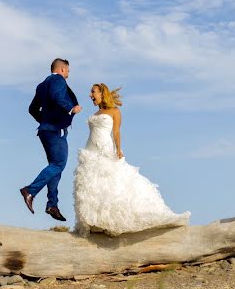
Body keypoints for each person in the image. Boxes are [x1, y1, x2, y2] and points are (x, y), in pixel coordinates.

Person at [73, 83, 189, 236]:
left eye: (93, 92)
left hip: (105, 150)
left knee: (110, 184)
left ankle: (109, 220)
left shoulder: (114, 111)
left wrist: (119, 149)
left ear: (102, 93)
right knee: (91, 185)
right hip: (90, 152)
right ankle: (94, 222)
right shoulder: (96, 112)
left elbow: (116, 132)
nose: (90, 95)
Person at [20, 58, 82, 221]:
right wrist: (71, 108)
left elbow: (32, 109)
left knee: (54, 167)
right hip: (56, 130)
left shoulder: (42, 85)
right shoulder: (57, 80)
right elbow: (57, 96)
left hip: (46, 130)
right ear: (62, 69)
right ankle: (30, 190)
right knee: (58, 164)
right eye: (68, 70)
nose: (68, 73)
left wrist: (44, 121)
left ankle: (52, 205)